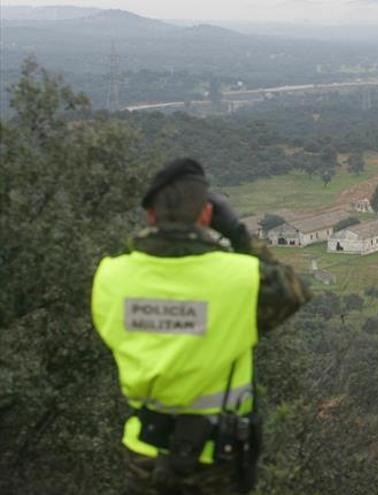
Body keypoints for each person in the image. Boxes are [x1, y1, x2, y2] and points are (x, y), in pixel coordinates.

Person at [91, 158, 311, 494]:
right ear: (207, 215)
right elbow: (294, 292)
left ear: (150, 215)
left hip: (144, 451)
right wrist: (238, 234)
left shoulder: (109, 276)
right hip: (217, 457)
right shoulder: (240, 278)